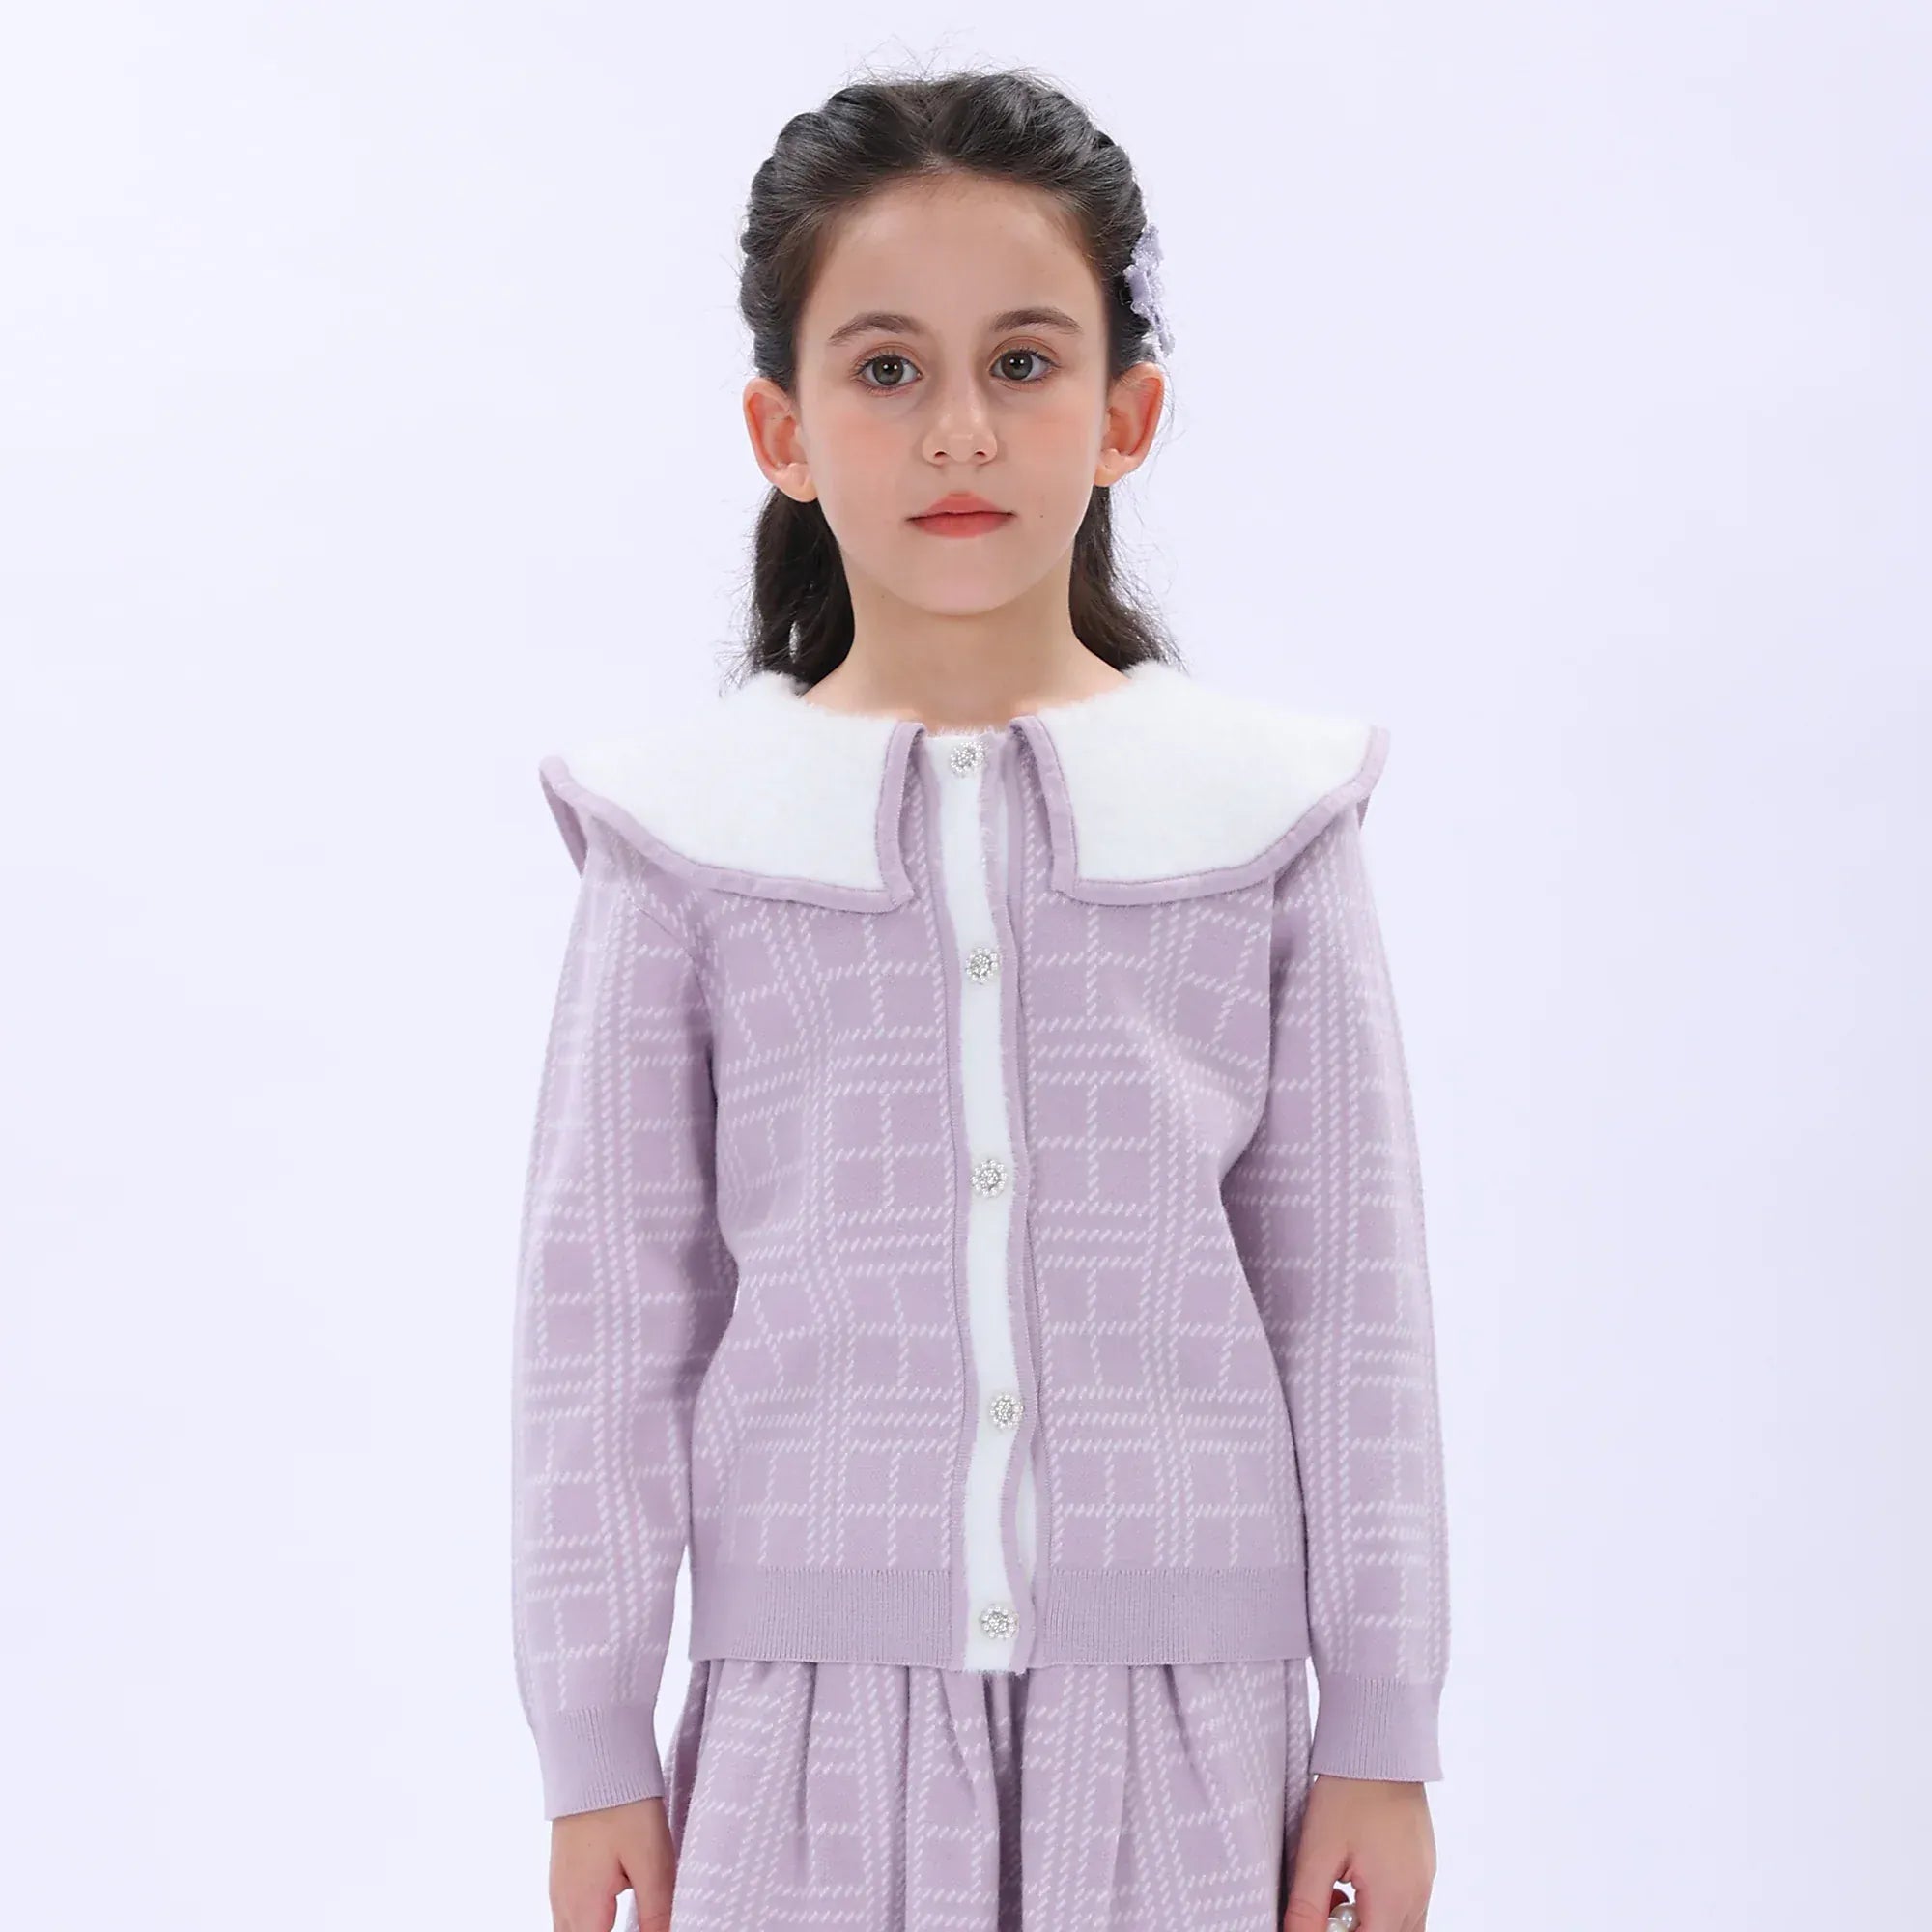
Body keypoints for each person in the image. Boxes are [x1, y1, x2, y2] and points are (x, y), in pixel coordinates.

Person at [510, 64, 1450, 1932]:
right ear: (782, 430)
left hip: (1196, 1738)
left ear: (1127, 413)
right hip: (802, 1740)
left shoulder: (1264, 815)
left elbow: (1352, 1303)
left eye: (1024, 362)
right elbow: (603, 1326)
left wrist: (1383, 1725)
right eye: (886, 369)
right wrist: (593, 1739)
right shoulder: (682, 838)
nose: (959, 431)